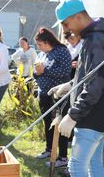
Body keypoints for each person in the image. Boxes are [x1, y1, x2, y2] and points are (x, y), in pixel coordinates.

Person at [48, 0, 104, 176]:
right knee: (94, 162)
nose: (66, 30)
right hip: (102, 112)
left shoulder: (95, 40)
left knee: (76, 165)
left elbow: (95, 84)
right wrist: (71, 85)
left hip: (91, 114)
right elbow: (94, 75)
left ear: (77, 17)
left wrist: (72, 115)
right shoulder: (99, 35)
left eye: (66, 24)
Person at [33, 27, 71, 167]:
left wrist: (45, 71)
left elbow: (65, 71)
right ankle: (49, 149)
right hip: (44, 94)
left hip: (59, 95)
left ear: (47, 41)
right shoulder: (43, 54)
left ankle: (62, 157)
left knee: (59, 125)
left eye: (40, 44)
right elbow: (36, 71)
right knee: (47, 123)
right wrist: (37, 73)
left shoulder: (62, 51)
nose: (39, 47)